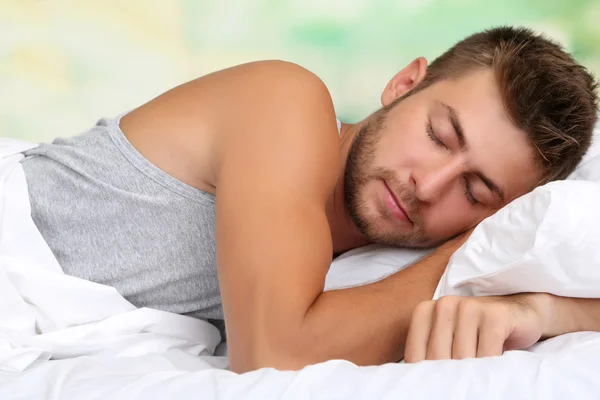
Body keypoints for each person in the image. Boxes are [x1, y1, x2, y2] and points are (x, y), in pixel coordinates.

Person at [20, 26, 598, 373]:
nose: (428, 185)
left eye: (475, 192)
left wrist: (536, 310)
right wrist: (470, 253)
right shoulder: (288, 102)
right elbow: (276, 354)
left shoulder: (362, 270)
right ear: (403, 85)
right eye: (438, 136)